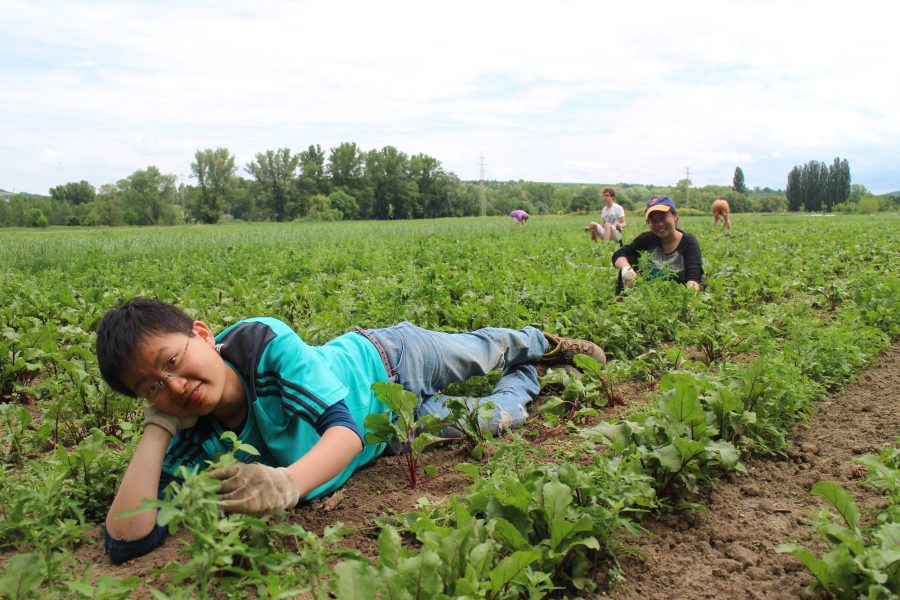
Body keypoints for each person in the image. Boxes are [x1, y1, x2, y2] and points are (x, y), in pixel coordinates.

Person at [95, 298, 606, 563]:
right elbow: (127, 540)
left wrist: (286, 483)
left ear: (203, 335)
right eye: (149, 388)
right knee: (503, 417)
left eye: (172, 360)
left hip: (390, 358)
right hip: (392, 430)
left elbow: (343, 432)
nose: (174, 385)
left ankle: (542, 344)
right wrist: (158, 427)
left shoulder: (261, 343)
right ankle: (529, 377)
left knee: (480, 351)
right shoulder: (187, 427)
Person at [612, 195, 703, 293]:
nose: (659, 224)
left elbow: (694, 275)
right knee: (629, 259)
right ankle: (621, 300)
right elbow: (619, 253)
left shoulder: (689, 243)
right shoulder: (646, 239)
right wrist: (626, 268)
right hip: (650, 291)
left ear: (675, 216)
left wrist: (689, 296)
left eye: (663, 217)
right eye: (653, 220)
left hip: (676, 293)